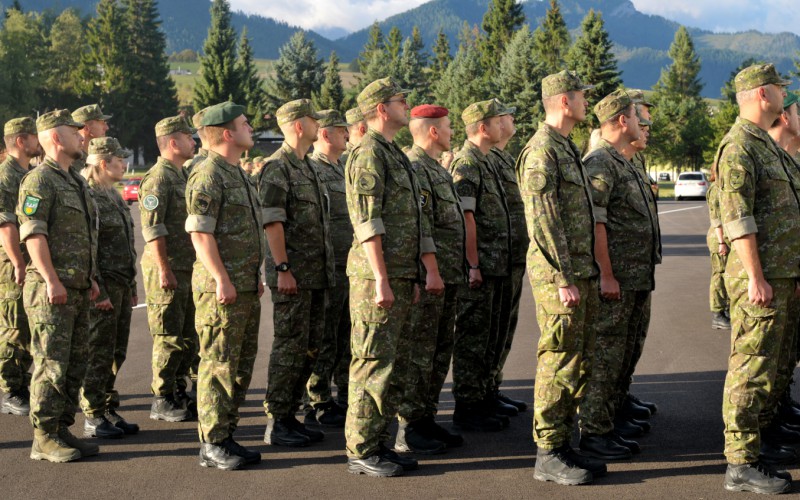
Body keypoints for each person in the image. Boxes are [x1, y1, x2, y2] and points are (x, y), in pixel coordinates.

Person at [516, 70, 606, 485]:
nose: (588, 101)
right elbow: (543, 221)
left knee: (578, 359)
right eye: (582, 96)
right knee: (559, 358)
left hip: (579, 271)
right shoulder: (541, 151)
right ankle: (548, 453)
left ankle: (564, 444)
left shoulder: (564, 148)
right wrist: (562, 276)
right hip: (561, 275)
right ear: (564, 102)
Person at [716, 63, 799, 495]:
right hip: (760, 281)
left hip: (781, 276)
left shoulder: (765, 145)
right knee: (749, 371)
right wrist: (756, 276)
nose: (786, 96)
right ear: (763, 95)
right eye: (781, 90)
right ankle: (740, 463)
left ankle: (757, 448)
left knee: (766, 370)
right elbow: (738, 219)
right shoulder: (739, 147)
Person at [344, 77, 430, 477]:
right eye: (401, 100)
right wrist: (381, 277)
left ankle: (379, 441)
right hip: (374, 276)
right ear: (381, 108)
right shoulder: (367, 154)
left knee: (390, 363)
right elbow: (367, 221)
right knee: (371, 361)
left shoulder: (391, 152)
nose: (406, 105)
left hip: (398, 273)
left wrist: (407, 275)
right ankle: (361, 448)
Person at [579, 89, 660, 460]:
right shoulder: (600, 163)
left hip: (636, 278)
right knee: (605, 358)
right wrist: (606, 275)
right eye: (635, 116)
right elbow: (596, 225)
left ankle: (609, 420)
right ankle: (594, 432)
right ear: (621, 121)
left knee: (623, 354)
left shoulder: (621, 161)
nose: (642, 123)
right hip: (618, 280)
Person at [186, 101, 265, 470]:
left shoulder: (238, 174)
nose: (251, 127)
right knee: (217, 365)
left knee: (239, 367)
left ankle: (227, 436)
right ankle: (212, 442)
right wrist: (221, 278)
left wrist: (253, 275)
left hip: (244, 285)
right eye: (245, 123)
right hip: (222, 288)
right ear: (228, 133)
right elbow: (200, 234)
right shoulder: (208, 175)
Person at [19, 109, 100, 462]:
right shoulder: (39, 181)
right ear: (55, 137)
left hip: (78, 287)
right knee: (51, 362)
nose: (82, 136)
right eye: (74, 131)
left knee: (75, 362)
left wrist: (91, 278)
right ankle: (44, 437)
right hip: (51, 290)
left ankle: (62, 428)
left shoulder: (76, 181)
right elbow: (34, 234)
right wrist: (51, 279)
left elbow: (84, 237)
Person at [259, 99, 333, 447]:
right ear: (298, 126)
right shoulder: (278, 167)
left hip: (316, 276)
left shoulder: (308, 167)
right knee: (289, 348)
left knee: (310, 348)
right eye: (313, 119)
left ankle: (291, 414)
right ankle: (278, 420)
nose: (319, 124)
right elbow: (273, 222)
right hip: (293, 277)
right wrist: (283, 268)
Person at [395, 104, 465, 455]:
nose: (453, 133)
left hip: (447, 275)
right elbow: (421, 226)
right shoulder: (415, 169)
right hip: (429, 277)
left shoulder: (437, 170)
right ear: (433, 131)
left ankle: (425, 417)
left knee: (438, 352)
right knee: (419, 353)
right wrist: (431, 270)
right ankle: (408, 426)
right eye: (449, 127)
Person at [449, 99, 511, 432]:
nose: (504, 127)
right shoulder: (468, 162)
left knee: (490, 337)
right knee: (473, 338)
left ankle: (485, 397)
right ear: (483, 127)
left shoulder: (486, 160)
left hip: (496, 264)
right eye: (497, 122)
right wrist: (472, 263)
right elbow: (466, 217)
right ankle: (468, 406)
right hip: (481, 266)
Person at [139, 115, 198, 422]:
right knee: (169, 335)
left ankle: (176, 390)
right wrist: (164, 268)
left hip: (186, 267)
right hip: (168, 268)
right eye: (189, 137)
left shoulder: (181, 176)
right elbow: (153, 229)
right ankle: (161, 398)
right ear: (173, 142)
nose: (194, 142)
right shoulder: (158, 179)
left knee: (187, 336)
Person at [79, 137, 139, 439]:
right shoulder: (89, 195)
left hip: (120, 284)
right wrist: (98, 289)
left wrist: (131, 284)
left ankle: (106, 406)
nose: (124, 164)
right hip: (102, 288)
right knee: (98, 352)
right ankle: (92, 413)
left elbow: (126, 244)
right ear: (104, 163)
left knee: (116, 351)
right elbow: (88, 247)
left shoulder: (112, 195)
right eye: (119, 160)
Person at [305, 109, 352, 427]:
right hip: (328, 268)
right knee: (324, 336)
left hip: (349, 266)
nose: (348, 134)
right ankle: (317, 399)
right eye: (341, 130)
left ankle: (344, 394)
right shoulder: (313, 171)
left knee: (346, 335)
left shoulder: (344, 169)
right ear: (325, 134)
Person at [488, 99, 530, 416]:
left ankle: (491, 388)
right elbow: (469, 216)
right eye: (507, 116)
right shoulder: (473, 161)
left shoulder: (503, 159)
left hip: (509, 259)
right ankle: (474, 400)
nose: (512, 120)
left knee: (503, 330)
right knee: (483, 334)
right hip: (489, 263)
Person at [0, 117, 39, 416]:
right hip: (12, 262)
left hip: (27, 261)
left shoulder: (26, 173)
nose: (39, 142)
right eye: (34, 137)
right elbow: (5, 224)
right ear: (22, 141)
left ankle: (22, 382)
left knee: (25, 325)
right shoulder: (6, 175)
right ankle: (10, 389)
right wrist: (18, 262)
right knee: (13, 326)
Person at [706, 163, 731, 330]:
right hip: (719, 238)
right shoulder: (716, 189)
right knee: (719, 275)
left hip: (725, 237)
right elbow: (716, 218)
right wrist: (722, 242)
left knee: (725, 274)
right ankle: (718, 314)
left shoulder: (723, 187)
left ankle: (725, 309)